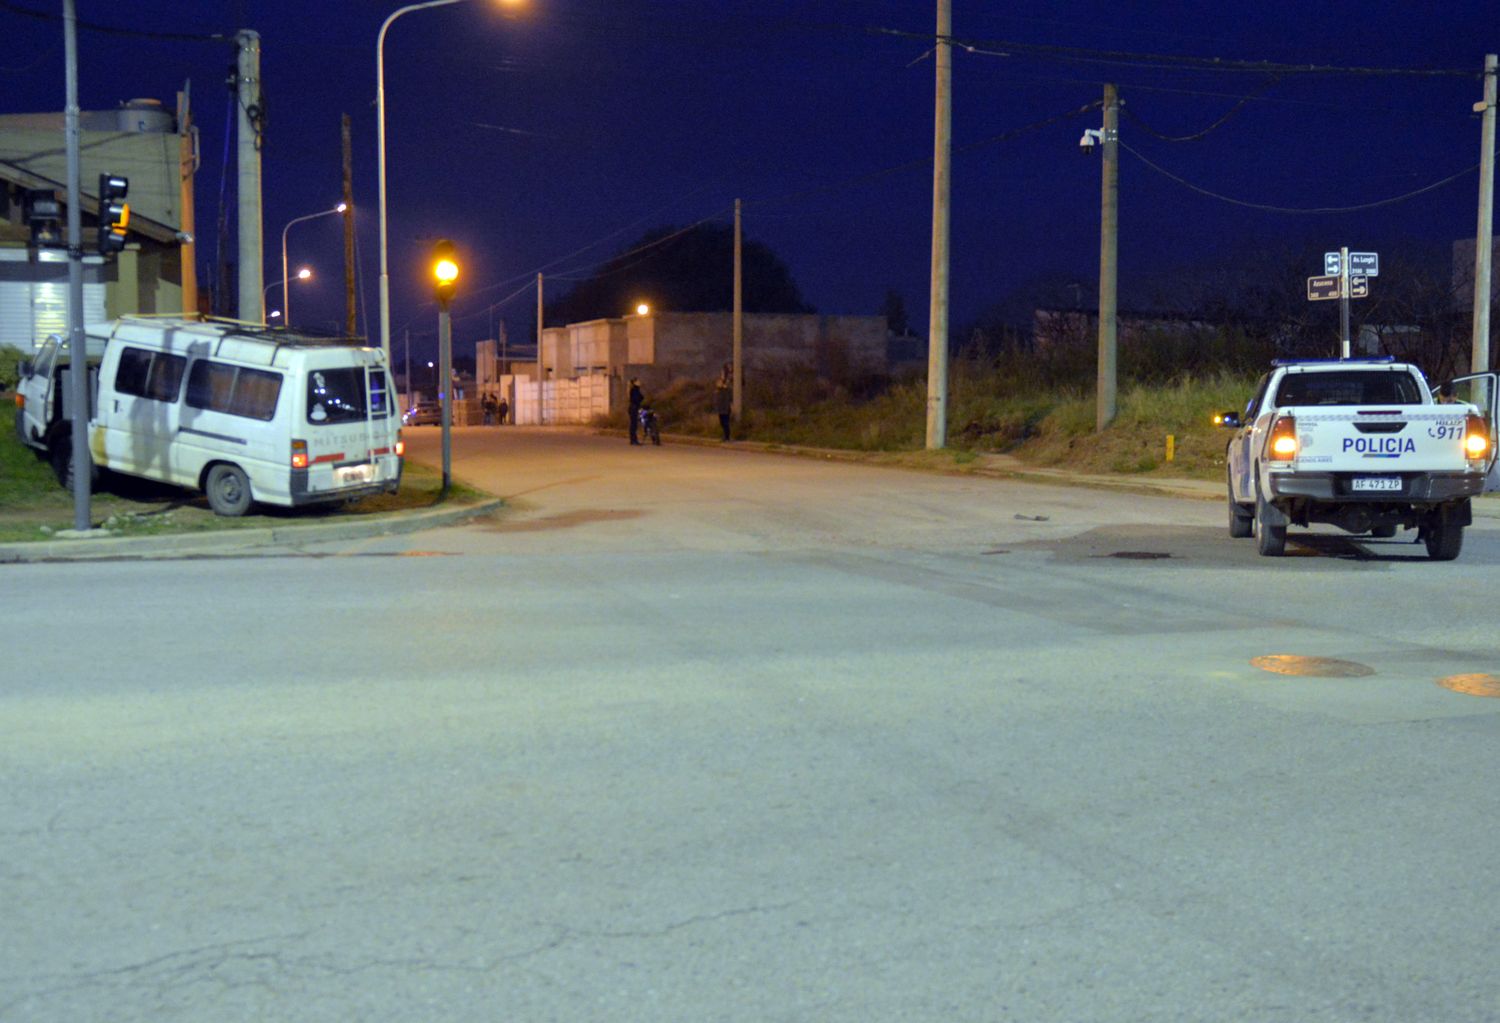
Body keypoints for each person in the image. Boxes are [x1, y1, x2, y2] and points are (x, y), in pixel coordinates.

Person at [714, 363, 733, 441]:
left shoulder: (726, 389)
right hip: (721, 408)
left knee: (725, 423)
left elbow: (729, 396)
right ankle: (725, 436)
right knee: (722, 423)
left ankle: (727, 436)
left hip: (725, 408)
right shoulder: (718, 391)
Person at [628, 377, 644, 445]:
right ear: (635, 382)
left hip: (634, 408)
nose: (639, 382)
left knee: (634, 425)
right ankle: (633, 440)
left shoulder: (636, 389)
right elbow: (636, 399)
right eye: (638, 381)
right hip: (634, 408)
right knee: (633, 425)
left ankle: (633, 440)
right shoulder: (634, 390)